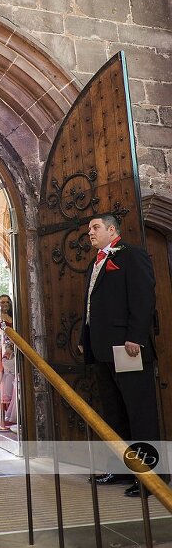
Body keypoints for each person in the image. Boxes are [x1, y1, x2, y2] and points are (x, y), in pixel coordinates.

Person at [79, 213, 162, 497]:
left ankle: (150, 476)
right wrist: (84, 339)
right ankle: (120, 467)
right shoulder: (95, 262)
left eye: (95, 227)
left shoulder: (131, 255)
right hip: (101, 349)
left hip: (128, 348)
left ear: (112, 230)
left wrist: (136, 337)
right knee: (113, 412)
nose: (89, 232)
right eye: (89, 228)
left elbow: (144, 297)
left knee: (139, 412)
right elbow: (90, 307)